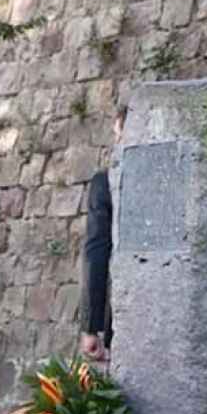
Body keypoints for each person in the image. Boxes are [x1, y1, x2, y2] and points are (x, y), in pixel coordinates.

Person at [79, 99, 127, 363]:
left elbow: (96, 252)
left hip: (123, 318)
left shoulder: (107, 183)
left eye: (119, 137)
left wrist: (91, 326)